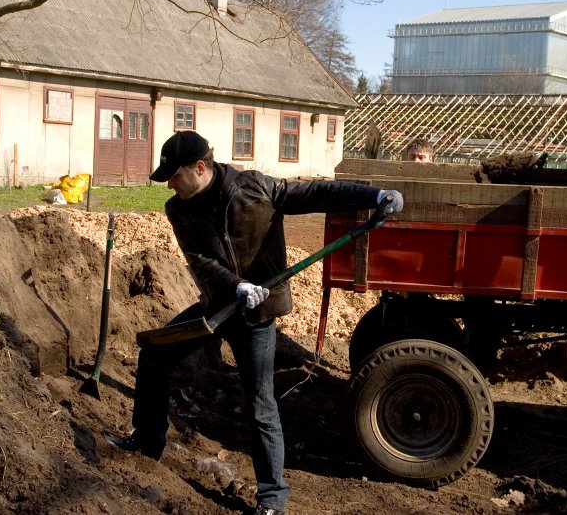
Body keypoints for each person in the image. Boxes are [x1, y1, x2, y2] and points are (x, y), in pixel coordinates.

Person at [107, 130, 403, 515]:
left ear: (200, 168)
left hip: (257, 316)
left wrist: (374, 196)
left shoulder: (255, 188)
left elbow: (317, 193)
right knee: (154, 354)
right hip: (218, 306)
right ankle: (148, 443)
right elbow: (200, 261)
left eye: (175, 176)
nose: (171, 185)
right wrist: (237, 286)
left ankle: (272, 497)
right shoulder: (178, 208)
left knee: (259, 401)